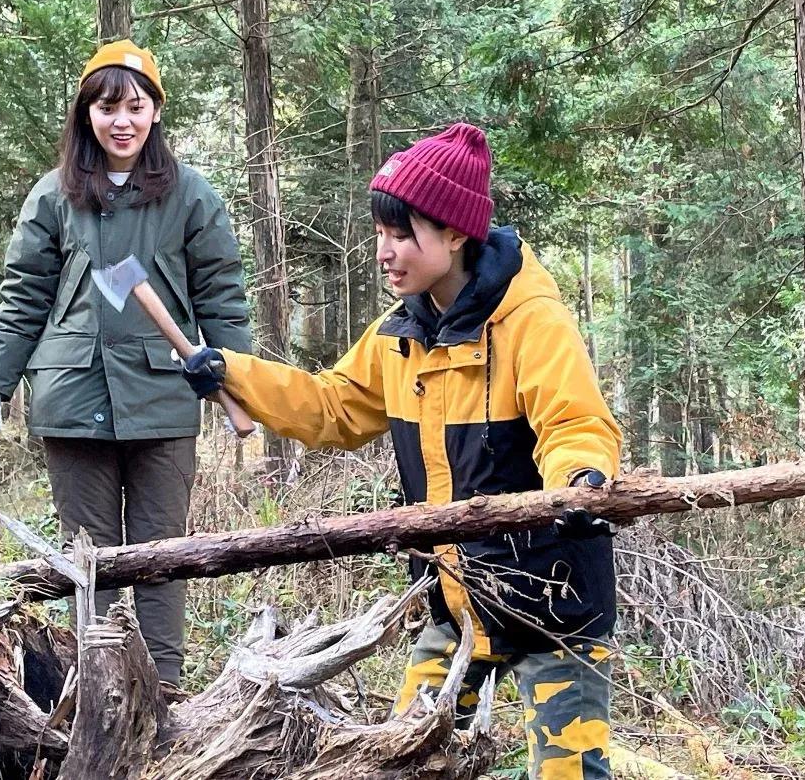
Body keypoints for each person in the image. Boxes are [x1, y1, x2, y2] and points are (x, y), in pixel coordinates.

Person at [180, 123, 620, 779]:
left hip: (555, 608)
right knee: (406, 760)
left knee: (571, 773)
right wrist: (233, 374)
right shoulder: (399, 333)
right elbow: (332, 406)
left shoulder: (532, 320)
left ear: (453, 234)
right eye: (381, 233)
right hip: (456, 603)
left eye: (402, 233)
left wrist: (580, 485)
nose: (385, 251)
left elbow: (574, 423)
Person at [0, 40, 251, 688]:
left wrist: (243, 380)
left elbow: (221, 295)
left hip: (163, 401)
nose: (122, 120)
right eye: (107, 106)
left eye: (136, 106)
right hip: (72, 398)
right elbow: (24, 297)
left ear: (155, 113)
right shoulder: (53, 198)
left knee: (159, 558)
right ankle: (98, 694)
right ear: (86, 114)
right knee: (89, 562)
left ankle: (165, 696)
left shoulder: (191, 196)